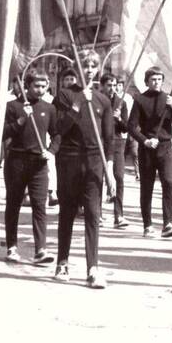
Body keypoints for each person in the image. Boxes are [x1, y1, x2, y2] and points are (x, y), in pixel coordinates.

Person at [52, 54, 115, 288]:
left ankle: (93, 267)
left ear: (98, 70)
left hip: (93, 162)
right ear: (78, 70)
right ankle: (62, 262)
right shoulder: (66, 95)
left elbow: (108, 138)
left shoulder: (103, 100)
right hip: (69, 159)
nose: (89, 70)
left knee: (92, 214)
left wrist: (109, 168)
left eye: (93, 66)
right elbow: (59, 127)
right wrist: (78, 104)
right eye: (85, 66)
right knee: (67, 212)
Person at [2, 71, 59, 265]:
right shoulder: (12, 106)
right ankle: (11, 246)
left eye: (44, 86)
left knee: (39, 205)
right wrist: (20, 120)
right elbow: (2, 133)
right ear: (27, 86)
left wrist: (51, 151)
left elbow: (57, 134)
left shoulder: (49, 108)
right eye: (37, 86)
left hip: (39, 163)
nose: (40, 90)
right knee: (14, 204)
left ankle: (40, 249)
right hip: (16, 160)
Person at [127, 66, 172, 239]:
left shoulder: (168, 99)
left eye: (159, 79)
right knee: (147, 187)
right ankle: (148, 225)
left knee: (168, 182)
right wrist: (145, 140)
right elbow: (131, 126)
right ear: (147, 82)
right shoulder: (140, 99)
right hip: (147, 148)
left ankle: (168, 223)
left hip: (165, 147)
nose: (156, 82)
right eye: (153, 79)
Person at [101, 73, 130, 230]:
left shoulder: (121, 102)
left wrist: (118, 118)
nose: (111, 88)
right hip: (100, 142)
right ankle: (97, 213)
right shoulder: (97, 100)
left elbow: (127, 127)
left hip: (117, 142)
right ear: (102, 85)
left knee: (119, 176)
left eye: (114, 85)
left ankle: (118, 214)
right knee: (98, 177)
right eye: (108, 85)